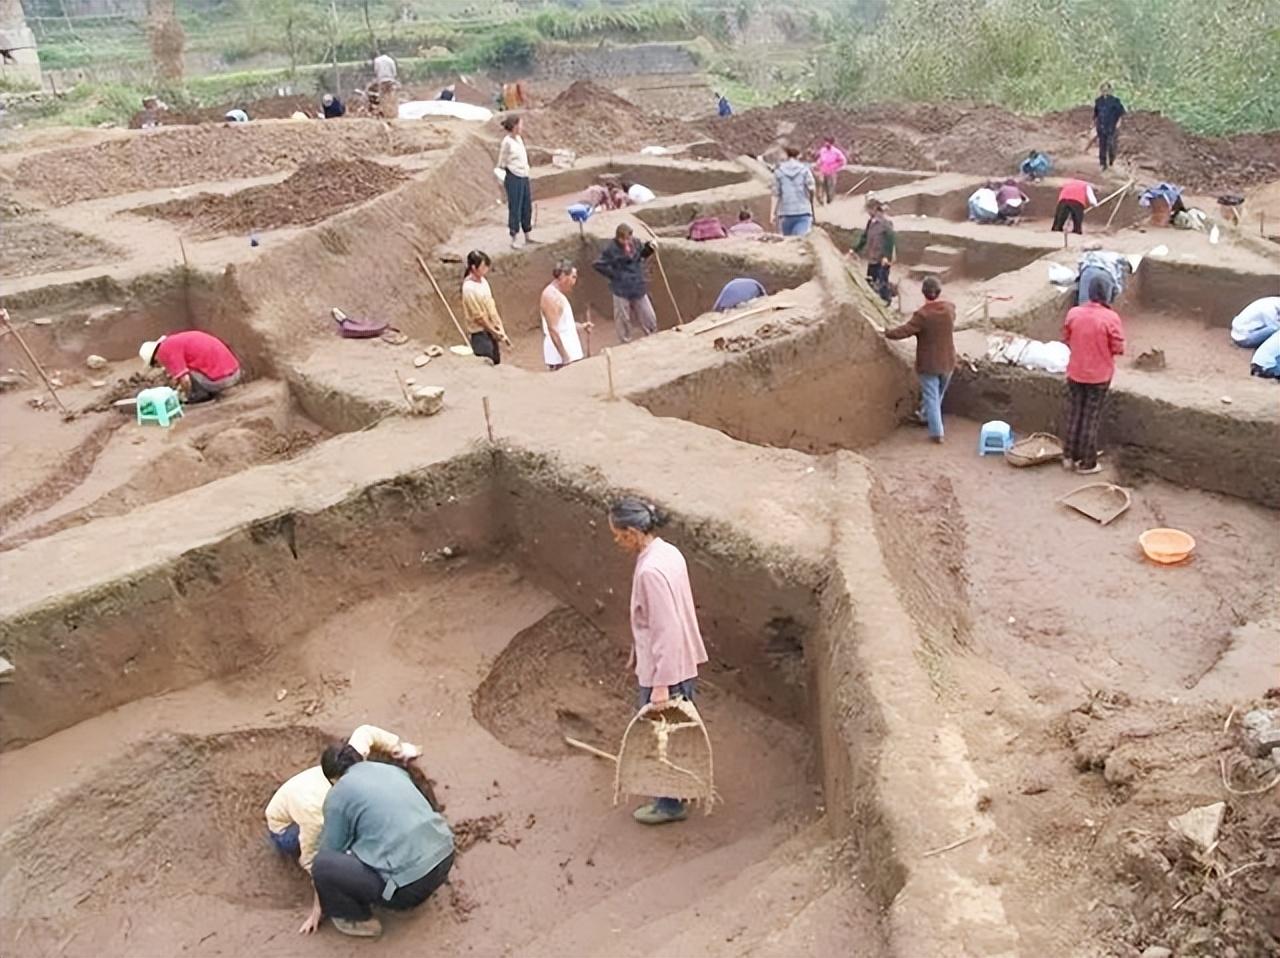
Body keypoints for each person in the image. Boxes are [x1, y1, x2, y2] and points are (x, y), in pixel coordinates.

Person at [608, 498, 708, 826]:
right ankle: (680, 789)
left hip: (666, 670)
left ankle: (669, 804)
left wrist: (660, 685)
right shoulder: (668, 552)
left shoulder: (650, 570)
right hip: (680, 660)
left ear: (634, 531)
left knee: (661, 736)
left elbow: (665, 628)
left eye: (619, 535)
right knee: (675, 732)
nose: (617, 542)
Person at [302, 743, 454, 938]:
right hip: (445, 855)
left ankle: (357, 920)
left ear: (333, 779)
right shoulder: (391, 770)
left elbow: (329, 853)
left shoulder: (338, 794)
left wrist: (319, 905)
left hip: (410, 888)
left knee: (322, 866)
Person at [266, 725, 419, 879]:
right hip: (287, 830)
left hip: (305, 808)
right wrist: (315, 870)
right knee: (341, 840)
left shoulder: (351, 759)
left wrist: (398, 749)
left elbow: (365, 731)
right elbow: (310, 843)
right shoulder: (314, 805)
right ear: (335, 779)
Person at [1061, 275, 1126, 474]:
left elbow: (1066, 338)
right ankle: (1086, 462)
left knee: (1075, 413)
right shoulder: (1111, 318)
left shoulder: (1074, 313)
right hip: (1098, 376)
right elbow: (1118, 347)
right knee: (1091, 417)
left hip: (1075, 372)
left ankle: (1069, 456)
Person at [884, 275, 956, 443]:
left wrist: (886, 332)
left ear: (923, 293)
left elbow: (904, 331)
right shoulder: (950, 310)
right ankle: (925, 416)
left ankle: (937, 432)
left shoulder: (922, 316)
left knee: (931, 397)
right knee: (937, 395)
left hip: (929, 364)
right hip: (948, 361)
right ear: (939, 292)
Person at [593, 224, 657, 344]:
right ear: (619, 238)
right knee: (622, 318)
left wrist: (650, 248)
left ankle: (652, 335)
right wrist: (614, 275)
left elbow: (641, 255)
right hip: (621, 289)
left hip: (637, 286)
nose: (628, 242)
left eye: (629, 238)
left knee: (648, 315)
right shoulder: (611, 249)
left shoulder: (636, 243)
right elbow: (598, 264)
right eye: (625, 239)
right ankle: (625, 341)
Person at [139, 330, 241, 403]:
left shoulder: (165, 350)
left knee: (185, 375)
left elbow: (185, 379)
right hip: (235, 372)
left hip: (222, 380)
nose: (161, 366)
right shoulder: (175, 341)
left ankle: (199, 395)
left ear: (155, 358)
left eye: (157, 365)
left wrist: (185, 396)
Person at [460, 250, 511, 365]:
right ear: (474, 267)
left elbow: (491, 306)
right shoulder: (468, 288)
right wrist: (493, 331)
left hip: (490, 330)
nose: (486, 269)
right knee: (486, 362)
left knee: (496, 360)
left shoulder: (483, 282)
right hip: (479, 334)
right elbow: (479, 316)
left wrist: (499, 327)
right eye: (483, 267)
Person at [540, 259, 592, 370]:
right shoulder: (551, 297)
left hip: (569, 356)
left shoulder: (556, 295)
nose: (575, 281)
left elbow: (563, 325)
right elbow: (553, 330)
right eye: (573, 277)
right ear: (563, 276)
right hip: (561, 359)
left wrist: (582, 326)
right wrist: (565, 357)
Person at [497, 115, 534, 249]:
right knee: (515, 208)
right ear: (514, 126)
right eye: (520, 125)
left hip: (523, 176)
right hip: (514, 177)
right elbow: (502, 162)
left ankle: (528, 234)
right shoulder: (507, 142)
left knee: (526, 206)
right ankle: (514, 238)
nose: (522, 127)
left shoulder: (519, 139)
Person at [852, 198, 896, 305]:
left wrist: (886, 256)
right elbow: (864, 237)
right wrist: (854, 249)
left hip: (882, 259)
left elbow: (890, 239)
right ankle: (874, 301)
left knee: (882, 282)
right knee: (870, 280)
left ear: (874, 209)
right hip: (873, 257)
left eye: (869, 210)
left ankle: (886, 301)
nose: (868, 213)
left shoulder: (886, 223)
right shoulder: (870, 223)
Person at [771, 146, 816, 237]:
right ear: (798, 156)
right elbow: (811, 188)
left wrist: (772, 213)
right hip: (803, 211)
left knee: (788, 245)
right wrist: (811, 201)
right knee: (801, 242)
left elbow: (775, 194)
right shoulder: (804, 170)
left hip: (785, 212)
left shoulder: (779, 172)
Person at [1093, 82, 1126, 172]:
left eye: (1107, 90)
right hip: (1101, 126)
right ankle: (1103, 163)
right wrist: (1095, 124)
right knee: (1102, 145)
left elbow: (1121, 113)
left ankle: (1111, 160)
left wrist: (1118, 123)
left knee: (1111, 144)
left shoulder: (1115, 101)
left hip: (1111, 126)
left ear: (1110, 91)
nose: (1105, 92)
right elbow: (1096, 114)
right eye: (1103, 90)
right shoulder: (1098, 101)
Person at [814, 136, 848, 205]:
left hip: (831, 171)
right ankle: (821, 200)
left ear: (831, 143)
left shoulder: (836, 152)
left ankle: (830, 200)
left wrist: (836, 167)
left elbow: (843, 161)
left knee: (830, 186)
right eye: (825, 142)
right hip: (822, 171)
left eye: (828, 142)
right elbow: (821, 159)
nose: (826, 143)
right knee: (821, 185)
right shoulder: (823, 150)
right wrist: (817, 164)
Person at [372, 51, 398, 119]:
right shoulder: (390, 60)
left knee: (382, 97)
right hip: (390, 80)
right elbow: (394, 72)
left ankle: (384, 112)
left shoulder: (377, 60)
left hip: (382, 80)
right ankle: (392, 113)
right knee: (390, 97)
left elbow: (376, 71)